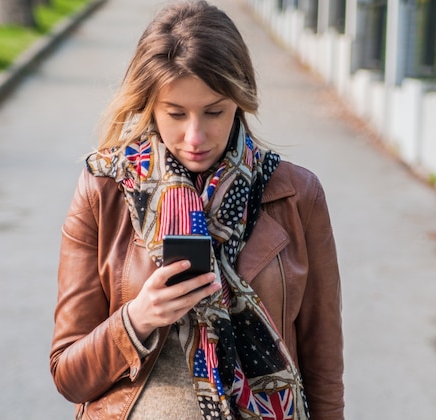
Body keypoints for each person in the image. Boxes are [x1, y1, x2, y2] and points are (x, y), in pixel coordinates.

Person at [49, 1, 344, 418]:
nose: (195, 136)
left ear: (239, 102)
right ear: (148, 104)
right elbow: (68, 375)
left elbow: (323, 367)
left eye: (214, 111)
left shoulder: (297, 195)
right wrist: (137, 318)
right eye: (175, 113)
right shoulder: (104, 189)